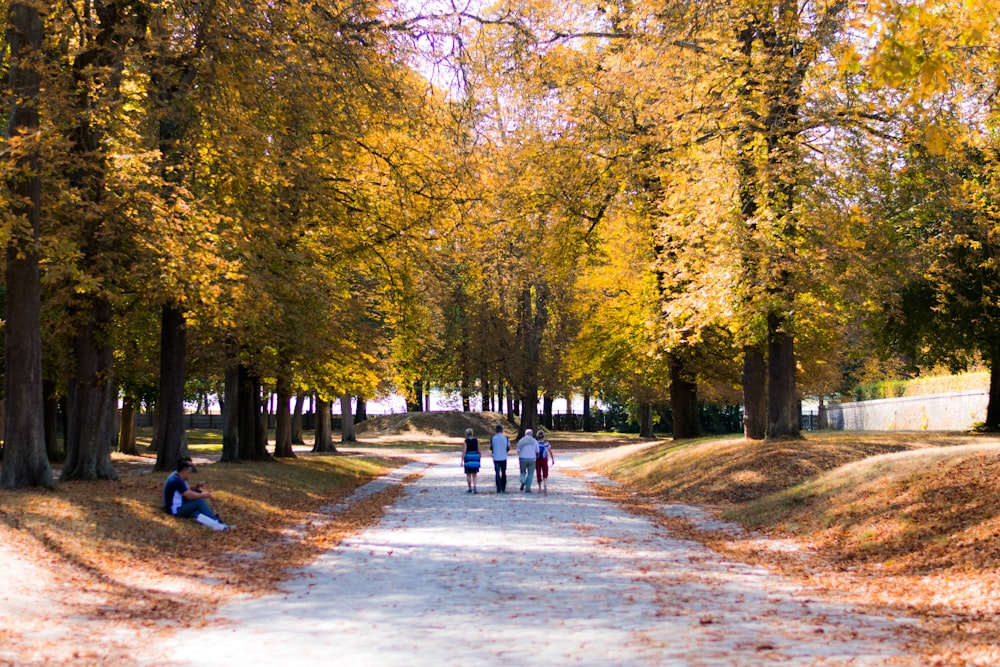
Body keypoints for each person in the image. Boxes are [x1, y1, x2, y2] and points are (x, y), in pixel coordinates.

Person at [162, 459, 231, 530]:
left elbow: (187, 490)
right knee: (198, 502)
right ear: (184, 471)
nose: (189, 475)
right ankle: (218, 522)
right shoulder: (176, 480)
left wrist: (196, 488)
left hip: (177, 508)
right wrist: (203, 495)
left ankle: (217, 526)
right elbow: (189, 496)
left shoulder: (177, 478)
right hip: (174, 510)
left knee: (196, 513)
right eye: (189, 473)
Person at [516, 428, 539, 493]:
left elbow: (518, 450)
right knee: (530, 474)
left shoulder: (521, 441)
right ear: (532, 434)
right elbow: (537, 451)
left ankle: (523, 480)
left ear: (525, 434)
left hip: (523, 458)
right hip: (532, 459)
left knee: (523, 472)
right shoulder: (535, 441)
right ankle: (527, 488)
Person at [489, 424, 510, 493]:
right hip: (503, 457)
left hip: (496, 457)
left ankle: (498, 487)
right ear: (502, 430)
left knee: (497, 473)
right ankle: (503, 487)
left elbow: (491, 447)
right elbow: (508, 448)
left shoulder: (493, 438)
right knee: (503, 472)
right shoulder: (505, 438)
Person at [535, 429, 555, 495]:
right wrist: (552, 459)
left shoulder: (536, 443)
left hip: (537, 460)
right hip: (545, 459)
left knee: (538, 472)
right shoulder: (546, 444)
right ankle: (545, 483)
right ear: (543, 436)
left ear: (537, 436)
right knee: (545, 472)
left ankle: (539, 487)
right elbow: (550, 452)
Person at [462, 428, 481, 494]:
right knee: (475, 474)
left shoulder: (465, 441)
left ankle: (469, 488)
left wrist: (462, 459)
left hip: (468, 458)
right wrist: (480, 456)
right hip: (475, 457)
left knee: (468, 474)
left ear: (466, 434)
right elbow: (479, 450)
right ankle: (475, 486)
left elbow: (464, 451)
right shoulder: (476, 440)